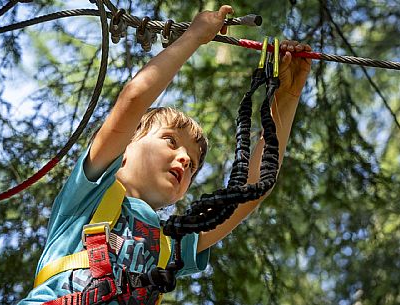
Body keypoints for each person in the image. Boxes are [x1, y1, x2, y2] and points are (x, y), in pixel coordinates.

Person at [18, 4, 312, 305]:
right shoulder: (89, 194)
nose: (185, 159)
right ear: (127, 144)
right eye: (171, 141)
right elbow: (133, 99)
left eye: (194, 164)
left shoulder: (170, 244)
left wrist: (287, 97)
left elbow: (251, 191)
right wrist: (194, 37)